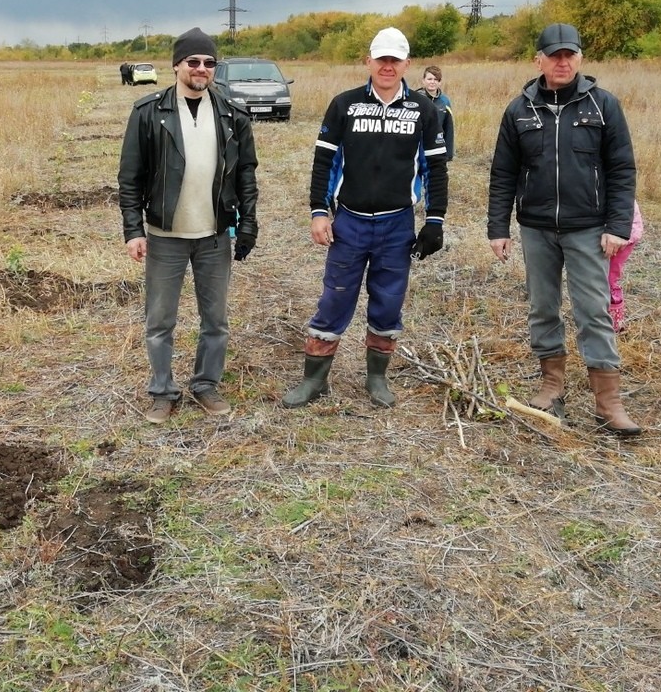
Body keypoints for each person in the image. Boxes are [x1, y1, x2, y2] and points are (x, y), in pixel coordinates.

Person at [487, 23, 642, 437]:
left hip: (589, 229)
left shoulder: (603, 106)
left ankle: (608, 402)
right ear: (538, 60)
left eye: (569, 54)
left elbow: (622, 169)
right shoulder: (519, 109)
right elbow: (503, 173)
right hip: (536, 228)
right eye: (554, 55)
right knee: (542, 306)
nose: (562, 61)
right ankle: (551, 383)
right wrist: (497, 227)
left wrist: (617, 225)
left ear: (580, 58)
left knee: (593, 310)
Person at [282, 27, 449, 410]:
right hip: (350, 222)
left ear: (407, 64)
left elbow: (435, 168)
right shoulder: (345, 105)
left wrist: (435, 220)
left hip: (397, 224)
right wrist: (319, 211)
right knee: (335, 298)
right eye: (381, 59)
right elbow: (324, 161)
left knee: (388, 302)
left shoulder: (423, 110)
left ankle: (376, 378)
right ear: (368, 62)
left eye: (395, 60)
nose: (387, 66)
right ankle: (314, 380)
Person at [118, 28, 259, 424]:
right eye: (193, 61)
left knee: (216, 320)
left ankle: (205, 385)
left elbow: (246, 173)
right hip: (165, 236)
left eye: (209, 62)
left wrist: (248, 223)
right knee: (160, 320)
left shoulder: (232, 112)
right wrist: (134, 230)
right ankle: (162, 392)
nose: (202, 69)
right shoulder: (149, 113)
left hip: (214, 235)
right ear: (177, 65)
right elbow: (130, 177)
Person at [608, 201, 645, 332]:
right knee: (607, 277)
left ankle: (615, 321)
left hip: (621, 235)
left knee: (609, 278)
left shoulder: (618, 190)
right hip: (618, 232)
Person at [414, 64, 455, 161]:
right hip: (417, 148)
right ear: (423, 81)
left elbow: (448, 128)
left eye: (436, 79)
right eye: (429, 79)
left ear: (440, 82)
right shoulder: (415, 99)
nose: (432, 82)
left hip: (437, 147)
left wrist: (448, 154)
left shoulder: (445, 101)